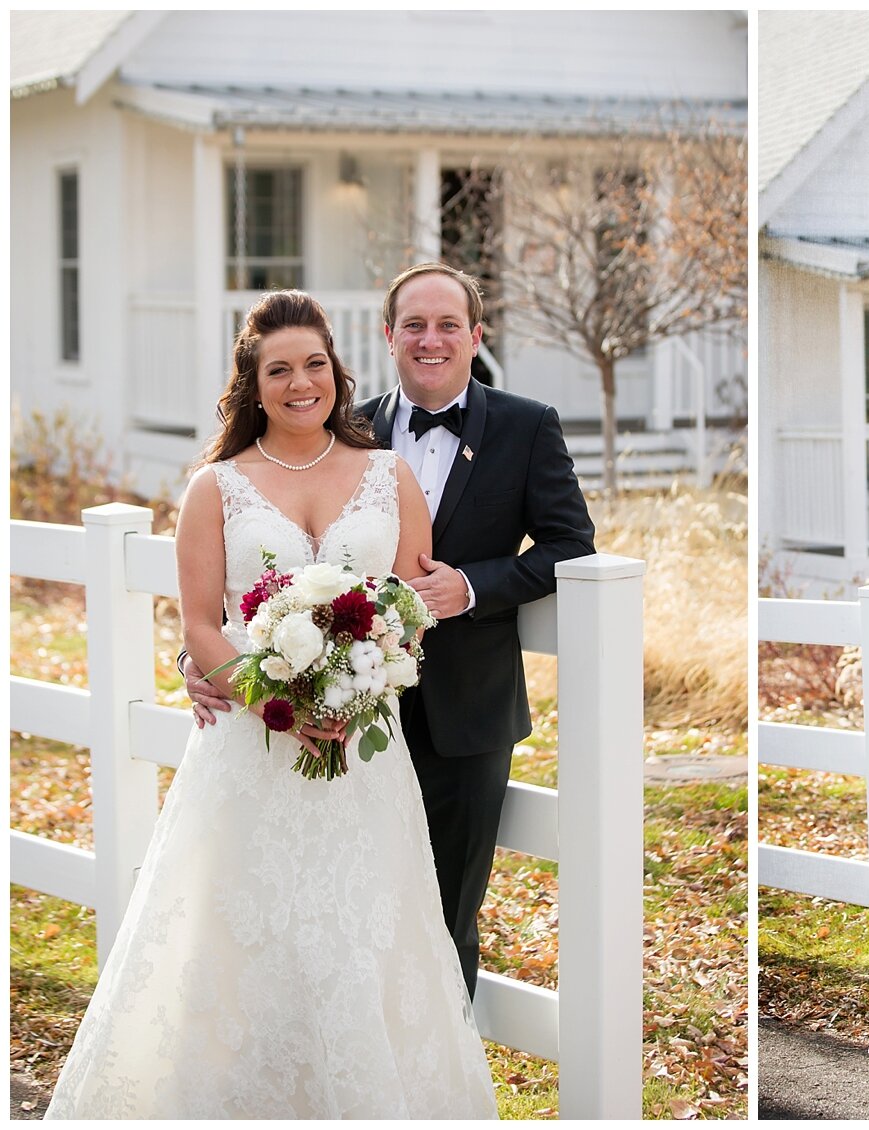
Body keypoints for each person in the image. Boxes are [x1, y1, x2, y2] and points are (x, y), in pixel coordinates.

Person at [47, 291, 497, 1118]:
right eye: (279, 370)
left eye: (314, 365)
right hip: (251, 754)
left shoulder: (388, 476)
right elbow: (201, 625)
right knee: (241, 940)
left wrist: (360, 688)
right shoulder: (216, 487)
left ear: (337, 370)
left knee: (365, 933)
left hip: (365, 750)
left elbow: (408, 609)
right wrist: (279, 703)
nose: (300, 384)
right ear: (253, 385)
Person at [185, 263, 595, 998]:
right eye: (414, 325)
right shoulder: (337, 426)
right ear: (388, 336)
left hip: (464, 715)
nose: (430, 340)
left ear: (475, 335)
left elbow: (572, 545)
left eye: (447, 325)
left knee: (438, 924)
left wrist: (471, 587)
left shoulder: (528, 426)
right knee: (306, 917)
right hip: (303, 717)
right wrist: (206, 656)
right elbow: (251, 567)